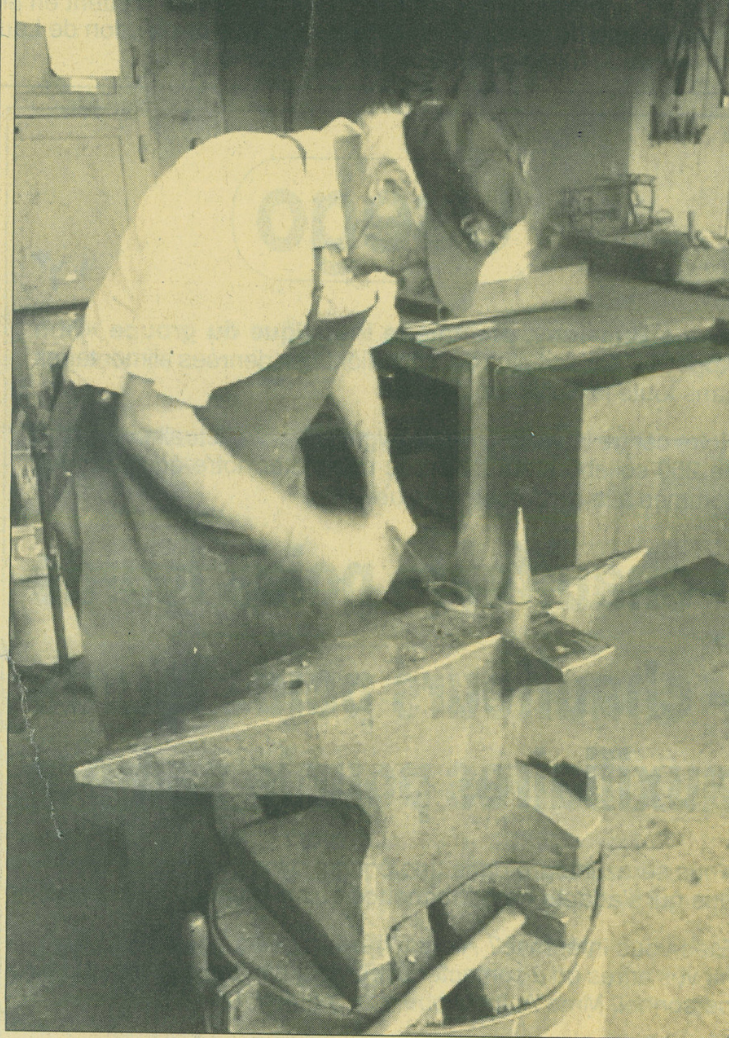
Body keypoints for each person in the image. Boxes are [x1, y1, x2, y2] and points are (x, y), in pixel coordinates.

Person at [48, 97, 532, 925]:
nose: (413, 284)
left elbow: (348, 347)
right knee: (171, 729)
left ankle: (287, 889)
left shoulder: (363, 237)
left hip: (250, 457)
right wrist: (309, 536)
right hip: (133, 475)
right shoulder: (243, 212)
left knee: (289, 686)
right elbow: (150, 423)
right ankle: (190, 946)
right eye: (421, 263)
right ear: (387, 185)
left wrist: (383, 490)